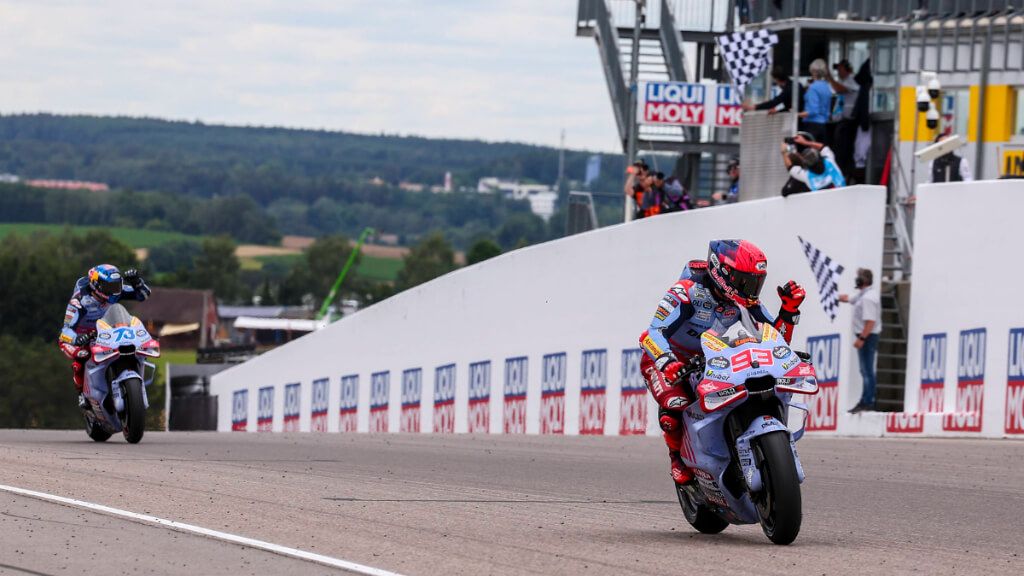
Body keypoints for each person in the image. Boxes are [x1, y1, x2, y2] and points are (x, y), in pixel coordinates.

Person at [638, 240, 806, 484]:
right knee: (675, 405)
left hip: (710, 358)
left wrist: (789, 311)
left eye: (756, 282)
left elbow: (778, 340)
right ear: (721, 272)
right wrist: (667, 362)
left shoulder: (745, 301)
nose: (751, 289)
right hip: (667, 358)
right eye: (744, 281)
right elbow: (652, 333)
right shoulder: (686, 291)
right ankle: (676, 456)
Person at [58, 264, 151, 408]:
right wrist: (77, 339)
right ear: (96, 285)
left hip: (107, 331)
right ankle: (82, 395)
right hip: (82, 336)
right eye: (109, 287)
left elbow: (143, 295)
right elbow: (66, 330)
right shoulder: (79, 302)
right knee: (82, 355)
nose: (114, 291)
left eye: (116, 286)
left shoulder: (115, 291)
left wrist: (137, 282)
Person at [838, 268, 882, 413]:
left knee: (867, 370)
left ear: (864, 280)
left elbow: (870, 321)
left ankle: (868, 402)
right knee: (864, 370)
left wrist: (862, 338)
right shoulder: (863, 295)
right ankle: (865, 400)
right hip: (865, 336)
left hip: (867, 336)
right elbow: (849, 298)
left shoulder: (869, 298)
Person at [825, 60, 859, 179]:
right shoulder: (842, 81)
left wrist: (829, 77)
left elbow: (840, 89)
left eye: (839, 69)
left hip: (848, 122)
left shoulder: (851, 81)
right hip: (839, 121)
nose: (838, 72)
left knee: (844, 151)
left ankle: (847, 174)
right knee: (837, 150)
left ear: (846, 69)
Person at [781, 133, 846, 194]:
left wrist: (784, 152)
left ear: (806, 165)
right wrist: (805, 142)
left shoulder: (806, 176)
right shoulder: (829, 161)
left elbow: (790, 168)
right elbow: (823, 147)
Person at [800, 59, 832, 143]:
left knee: (809, 154)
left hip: (812, 125)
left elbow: (813, 111)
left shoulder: (813, 88)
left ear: (813, 71)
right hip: (823, 125)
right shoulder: (826, 86)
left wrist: (796, 114)